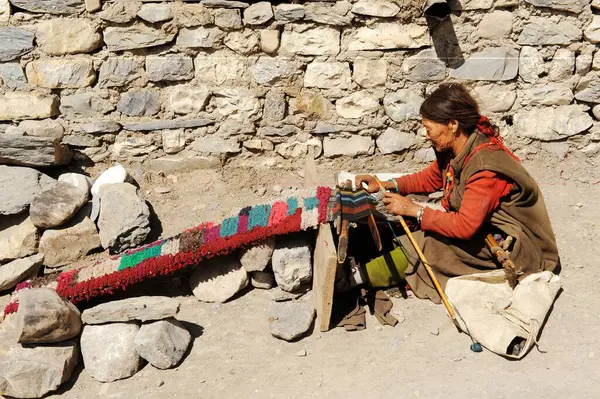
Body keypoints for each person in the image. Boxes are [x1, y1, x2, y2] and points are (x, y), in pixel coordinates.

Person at [352, 83, 559, 303]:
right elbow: (431, 178)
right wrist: (385, 183)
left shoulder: (485, 167)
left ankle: (358, 277)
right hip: (481, 226)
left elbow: (465, 226)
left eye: (429, 128)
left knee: (431, 245)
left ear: (452, 124)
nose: (426, 135)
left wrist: (414, 210)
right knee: (419, 224)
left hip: (516, 248)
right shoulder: (457, 148)